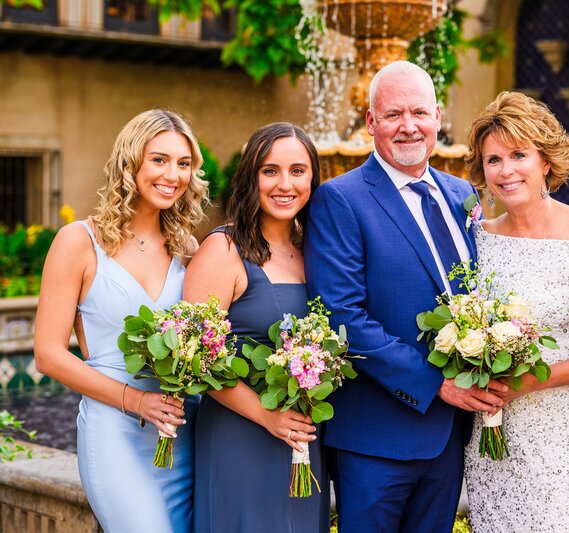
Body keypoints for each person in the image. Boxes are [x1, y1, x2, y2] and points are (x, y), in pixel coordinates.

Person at [305, 60, 504, 532]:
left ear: (438, 116)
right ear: (371, 123)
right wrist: (437, 384)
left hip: (452, 436)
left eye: (419, 112)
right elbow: (343, 316)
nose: (408, 126)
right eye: (393, 114)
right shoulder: (341, 199)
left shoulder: (463, 195)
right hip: (376, 438)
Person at [33, 109, 207, 532]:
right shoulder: (79, 242)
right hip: (117, 432)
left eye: (184, 163)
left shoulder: (187, 246)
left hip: (184, 434)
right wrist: (136, 401)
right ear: (131, 163)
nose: (174, 174)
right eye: (160, 159)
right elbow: (48, 355)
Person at [461, 91, 569, 532]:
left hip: (562, 427)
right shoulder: (478, 238)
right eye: (493, 160)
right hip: (492, 425)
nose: (506, 170)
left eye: (518, 155)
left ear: (545, 161)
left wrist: (529, 382)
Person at [184, 122, 328, 532]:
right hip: (242, 434)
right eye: (270, 171)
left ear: (313, 177)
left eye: (298, 171)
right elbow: (195, 360)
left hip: (303, 434)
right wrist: (268, 418)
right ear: (252, 177)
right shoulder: (223, 249)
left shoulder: (314, 248)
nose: (285, 184)